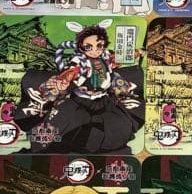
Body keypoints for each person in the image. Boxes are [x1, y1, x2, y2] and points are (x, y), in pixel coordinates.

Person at [15, 22, 144, 153]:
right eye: (88, 47)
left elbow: (117, 58)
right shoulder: (79, 60)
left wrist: (137, 52)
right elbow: (70, 73)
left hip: (103, 100)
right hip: (78, 101)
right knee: (61, 128)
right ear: (81, 46)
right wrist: (65, 81)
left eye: (99, 45)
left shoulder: (105, 56)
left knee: (115, 128)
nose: (95, 50)